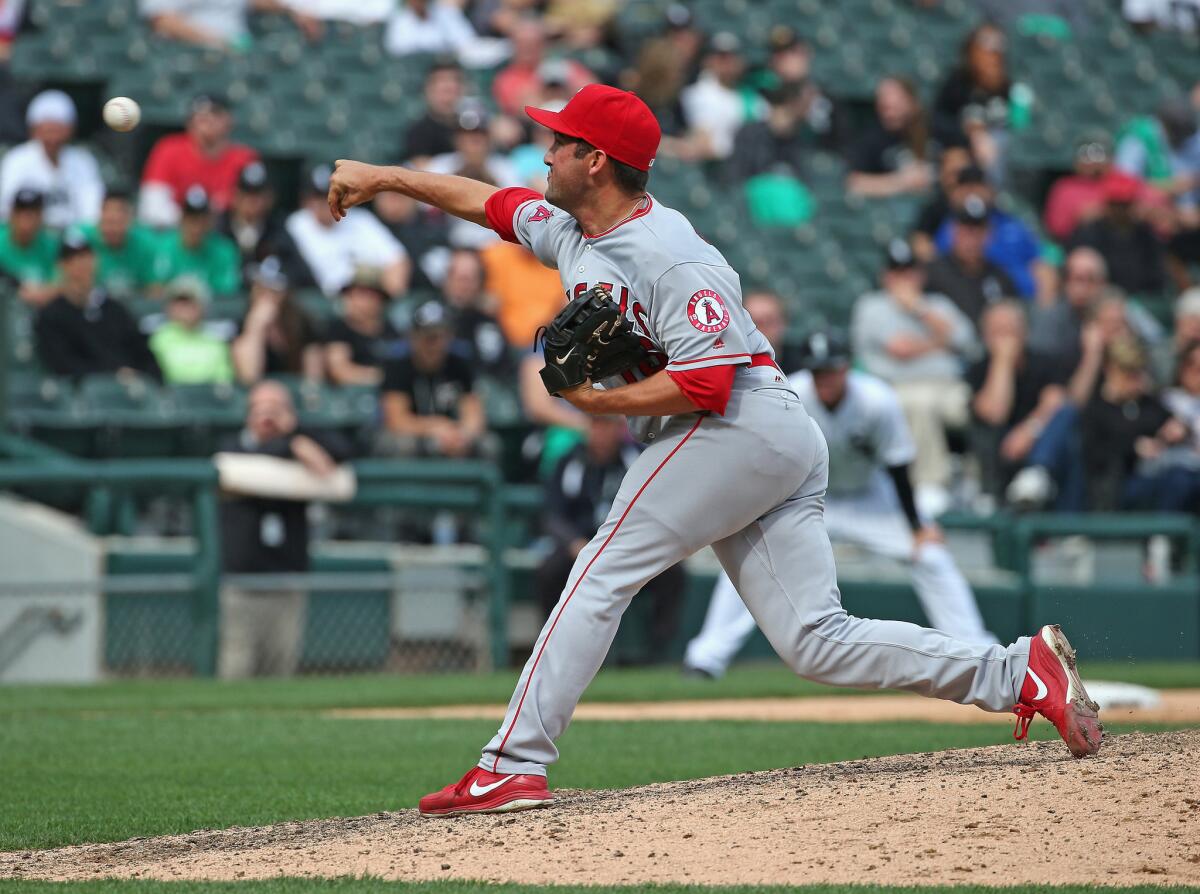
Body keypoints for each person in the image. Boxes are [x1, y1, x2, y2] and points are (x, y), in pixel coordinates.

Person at [326, 83, 1103, 816]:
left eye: (558, 142)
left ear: (596, 160)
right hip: (757, 437)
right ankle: (1016, 670)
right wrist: (386, 179)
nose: (545, 153)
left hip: (739, 423)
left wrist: (603, 402)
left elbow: (708, 381)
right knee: (815, 641)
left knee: (601, 567)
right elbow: (485, 201)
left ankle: (510, 764)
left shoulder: (669, 252)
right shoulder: (571, 229)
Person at [685, 328, 996, 679]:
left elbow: (898, 467)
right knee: (755, 558)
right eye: (818, 371)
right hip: (809, 495)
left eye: (830, 369)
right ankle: (706, 658)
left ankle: (980, 650)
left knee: (932, 556)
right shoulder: (791, 391)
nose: (824, 378)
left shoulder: (876, 399)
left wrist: (917, 528)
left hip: (871, 498)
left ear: (847, 367)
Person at [217, 380, 351, 679]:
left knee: (280, 669)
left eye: (275, 410)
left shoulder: (300, 441)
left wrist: (297, 434)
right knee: (236, 668)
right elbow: (248, 457)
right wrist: (292, 444)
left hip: (287, 580)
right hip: (241, 583)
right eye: (259, 409)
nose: (267, 418)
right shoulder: (233, 448)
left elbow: (342, 451)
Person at [540, 414, 683, 665]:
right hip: (582, 546)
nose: (601, 432)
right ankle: (553, 651)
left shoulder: (636, 457)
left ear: (619, 428)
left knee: (673, 572)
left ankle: (657, 653)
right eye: (596, 424)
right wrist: (574, 543)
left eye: (608, 425)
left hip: (628, 545)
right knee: (548, 571)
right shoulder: (570, 461)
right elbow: (551, 516)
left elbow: (657, 504)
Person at [852, 239, 977, 510]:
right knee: (918, 403)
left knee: (978, 407)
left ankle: (976, 484)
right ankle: (930, 484)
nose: (904, 279)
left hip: (948, 386)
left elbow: (965, 339)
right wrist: (941, 342)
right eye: (897, 272)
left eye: (909, 271)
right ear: (886, 276)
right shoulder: (873, 306)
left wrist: (920, 309)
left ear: (920, 274)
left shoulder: (936, 304)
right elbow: (901, 348)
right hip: (896, 386)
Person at [967, 301, 1071, 501]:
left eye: (1011, 330)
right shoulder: (977, 369)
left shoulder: (1045, 363)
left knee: (1067, 415)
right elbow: (995, 413)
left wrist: (1030, 429)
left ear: (1024, 332)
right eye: (998, 331)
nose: (1005, 338)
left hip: (1039, 448)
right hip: (998, 452)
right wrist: (1002, 362)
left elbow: (1056, 403)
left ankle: (1036, 471)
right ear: (985, 336)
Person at [34, 230, 160, 381]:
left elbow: (143, 354)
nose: (81, 264)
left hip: (130, 394)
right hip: (84, 398)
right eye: (73, 259)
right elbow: (62, 365)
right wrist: (113, 376)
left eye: (86, 257)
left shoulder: (114, 310)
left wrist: (142, 377)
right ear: (61, 265)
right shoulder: (51, 316)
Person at [376, 299, 488, 458]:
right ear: (413, 337)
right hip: (415, 434)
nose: (435, 344)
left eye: (442, 337)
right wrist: (436, 427)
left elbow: (474, 414)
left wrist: (461, 435)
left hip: (450, 433)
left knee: (487, 444)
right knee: (403, 445)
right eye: (429, 337)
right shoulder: (398, 367)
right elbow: (396, 420)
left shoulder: (460, 365)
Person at [931, 165, 1052, 303]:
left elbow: (1041, 261)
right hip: (979, 300)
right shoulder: (950, 228)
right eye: (967, 186)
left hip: (1023, 299)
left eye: (978, 185)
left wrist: (1045, 303)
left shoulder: (1011, 223)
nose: (973, 192)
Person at [284, 164, 409, 297]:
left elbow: (398, 260)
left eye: (332, 194)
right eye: (319, 197)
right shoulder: (295, 226)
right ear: (306, 200)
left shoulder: (361, 220)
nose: (327, 202)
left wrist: (390, 297)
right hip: (322, 303)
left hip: (363, 300)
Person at [139, 94, 259, 227]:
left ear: (229, 121)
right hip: (175, 235)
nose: (208, 119)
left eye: (216, 114)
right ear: (189, 122)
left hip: (224, 236)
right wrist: (196, 222)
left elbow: (253, 209)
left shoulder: (244, 158)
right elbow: (152, 208)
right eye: (201, 114)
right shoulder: (168, 150)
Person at [932, 23, 1025, 183]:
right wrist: (969, 136)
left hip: (1001, 151)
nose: (992, 53)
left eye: (998, 47)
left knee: (998, 141)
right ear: (972, 50)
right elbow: (939, 121)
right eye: (986, 46)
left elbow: (1021, 126)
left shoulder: (1011, 86)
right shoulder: (957, 83)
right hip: (964, 149)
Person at [0, 89, 103, 229]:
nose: (53, 137)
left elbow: (92, 212)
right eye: (47, 129)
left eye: (58, 129)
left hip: (73, 241)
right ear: (34, 129)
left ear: (70, 129)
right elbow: (7, 209)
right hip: (33, 238)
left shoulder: (83, 161)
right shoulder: (17, 160)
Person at [1069, 171, 1168, 297]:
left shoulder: (1146, 234)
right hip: (1101, 298)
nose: (1120, 210)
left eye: (1124, 204)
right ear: (1107, 204)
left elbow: (1156, 276)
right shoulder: (1089, 233)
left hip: (1141, 298)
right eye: (1115, 204)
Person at [925, 194, 1019, 325]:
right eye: (966, 231)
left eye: (978, 232)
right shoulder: (931, 274)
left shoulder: (1000, 278)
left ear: (989, 234)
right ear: (953, 231)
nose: (971, 240)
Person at [231, 257, 323, 384]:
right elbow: (248, 376)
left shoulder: (303, 323)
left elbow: (313, 380)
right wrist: (256, 327)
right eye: (259, 286)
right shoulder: (243, 322)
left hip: (295, 396)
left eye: (271, 289)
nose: (263, 293)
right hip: (258, 397)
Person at [679, 32, 765, 161]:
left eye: (732, 56)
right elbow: (704, 144)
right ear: (708, 60)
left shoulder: (752, 96)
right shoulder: (698, 93)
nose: (728, 62)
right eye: (721, 56)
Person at [846, 77, 934, 198]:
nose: (888, 102)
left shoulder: (936, 129)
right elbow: (854, 182)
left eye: (896, 99)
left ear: (912, 101)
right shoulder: (870, 140)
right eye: (883, 101)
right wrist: (901, 181)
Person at [491, 17, 593, 117]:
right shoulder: (507, 78)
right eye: (522, 43)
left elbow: (591, 94)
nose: (528, 48)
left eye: (534, 43)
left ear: (544, 44)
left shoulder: (564, 66)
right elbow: (522, 109)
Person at [150, 186, 241, 297]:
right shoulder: (162, 247)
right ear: (182, 218)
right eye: (191, 219)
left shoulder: (225, 250)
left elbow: (226, 292)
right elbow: (154, 289)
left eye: (202, 220)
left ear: (210, 221)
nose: (196, 227)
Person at [481, 231, 565, 348]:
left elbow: (565, 304)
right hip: (501, 336)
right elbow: (481, 298)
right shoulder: (494, 255)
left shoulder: (557, 261)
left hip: (543, 339)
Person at [323, 267, 403, 387]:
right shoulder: (338, 329)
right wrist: (382, 376)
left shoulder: (390, 329)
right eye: (357, 295)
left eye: (369, 296)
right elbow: (339, 372)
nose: (361, 302)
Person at [148, 276, 235, 385]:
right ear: (168, 307)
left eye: (190, 302)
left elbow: (224, 381)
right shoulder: (157, 340)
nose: (184, 308)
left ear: (203, 306)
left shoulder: (215, 341)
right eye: (179, 302)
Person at [439, 247, 511, 375]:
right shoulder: (430, 312)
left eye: (469, 279)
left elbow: (493, 370)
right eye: (457, 277)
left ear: (480, 284)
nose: (462, 286)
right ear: (445, 279)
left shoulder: (486, 323)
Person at [216, 161, 288, 287]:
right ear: (235, 195)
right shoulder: (220, 227)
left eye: (257, 195)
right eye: (247, 194)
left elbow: (297, 272)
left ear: (268, 198)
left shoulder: (276, 228)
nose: (252, 201)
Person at [140, 0, 320, 50]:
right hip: (188, 53)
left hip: (238, 50)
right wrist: (219, 42)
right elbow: (163, 21)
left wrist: (293, 8)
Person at [79, 190, 161, 299]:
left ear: (130, 221)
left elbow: (155, 289)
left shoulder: (145, 244)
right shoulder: (83, 241)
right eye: (109, 222)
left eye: (118, 222)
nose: (113, 229)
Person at [911, 144, 974, 262]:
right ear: (942, 175)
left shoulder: (985, 204)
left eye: (963, 174)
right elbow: (920, 243)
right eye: (953, 173)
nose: (957, 180)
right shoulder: (934, 209)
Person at [0, 187, 58, 305]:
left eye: (32, 214)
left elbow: (62, 281)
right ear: (11, 214)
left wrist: (44, 293)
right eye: (21, 213)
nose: (25, 220)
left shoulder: (51, 245)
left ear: (41, 217)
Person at [402, 59, 466, 164]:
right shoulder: (419, 132)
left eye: (453, 89)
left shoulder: (470, 128)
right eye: (443, 89)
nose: (448, 90)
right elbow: (422, 171)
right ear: (429, 90)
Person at [384, 0, 479, 59]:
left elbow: (468, 43)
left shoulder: (447, 13)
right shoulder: (399, 19)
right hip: (411, 72)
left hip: (445, 68)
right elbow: (397, 50)